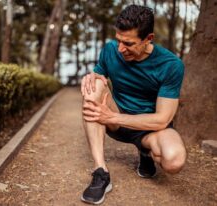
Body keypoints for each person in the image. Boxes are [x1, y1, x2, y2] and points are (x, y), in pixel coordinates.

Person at [80, 5, 187, 205]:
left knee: (174, 160)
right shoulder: (111, 50)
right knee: (92, 85)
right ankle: (100, 172)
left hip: (149, 129)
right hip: (116, 119)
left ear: (149, 39)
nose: (120, 49)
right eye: (118, 40)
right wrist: (91, 77)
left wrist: (110, 117)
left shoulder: (171, 65)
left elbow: (163, 119)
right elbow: (99, 75)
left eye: (128, 43)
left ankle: (145, 152)